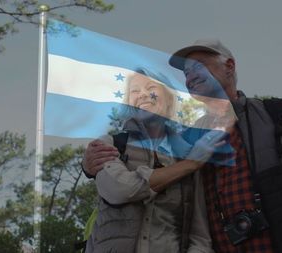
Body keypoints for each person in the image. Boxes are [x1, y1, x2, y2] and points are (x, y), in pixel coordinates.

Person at [84, 39, 282, 252]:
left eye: (199, 67)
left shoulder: (279, 115)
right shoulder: (186, 141)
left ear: (230, 66)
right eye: (187, 74)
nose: (191, 76)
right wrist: (88, 164)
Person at [84, 68, 220, 253]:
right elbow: (121, 190)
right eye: (135, 91)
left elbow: (200, 238)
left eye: (151, 88)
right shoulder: (110, 144)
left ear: (169, 99)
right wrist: (190, 165)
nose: (143, 95)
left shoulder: (186, 154)